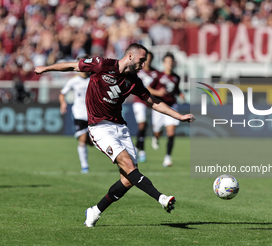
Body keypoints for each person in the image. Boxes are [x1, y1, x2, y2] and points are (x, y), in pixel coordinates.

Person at [34, 43, 195, 227]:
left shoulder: (134, 80)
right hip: (99, 128)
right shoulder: (102, 64)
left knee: (128, 179)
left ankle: (95, 210)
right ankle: (162, 198)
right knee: (128, 165)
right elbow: (72, 65)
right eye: (142, 61)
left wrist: (179, 116)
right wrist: (45, 68)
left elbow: (153, 101)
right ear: (130, 57)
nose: (143, 65)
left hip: (121, 128)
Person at [148, 52, 185, 167]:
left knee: (171, 132)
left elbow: (176, 89)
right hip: (159, 106)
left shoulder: (176, 77)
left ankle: (167, 158)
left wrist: (180, 94)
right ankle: (156, 136)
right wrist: (158, 93)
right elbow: (148, 88)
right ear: (163, 63)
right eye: (167, 61)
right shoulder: (158, 75)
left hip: (172, 106)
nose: (169, 64)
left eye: (171, 61)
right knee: (158, 131)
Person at [59, 54, 92, 174]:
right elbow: (62, 93)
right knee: (82, 139)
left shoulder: (94, 79)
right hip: (79, 113)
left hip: (93, 113)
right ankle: (85, 166)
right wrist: (63, 104)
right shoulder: (73, 81)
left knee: (93, 142)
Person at [132, 51, 159, 163]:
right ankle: (142, 151)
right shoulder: (138, 71)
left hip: (150, 102)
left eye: (150, 59)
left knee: (148, 126)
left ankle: (137, 148)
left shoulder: (156, 73)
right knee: (142, 124)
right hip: (139, 101)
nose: (149, 61)